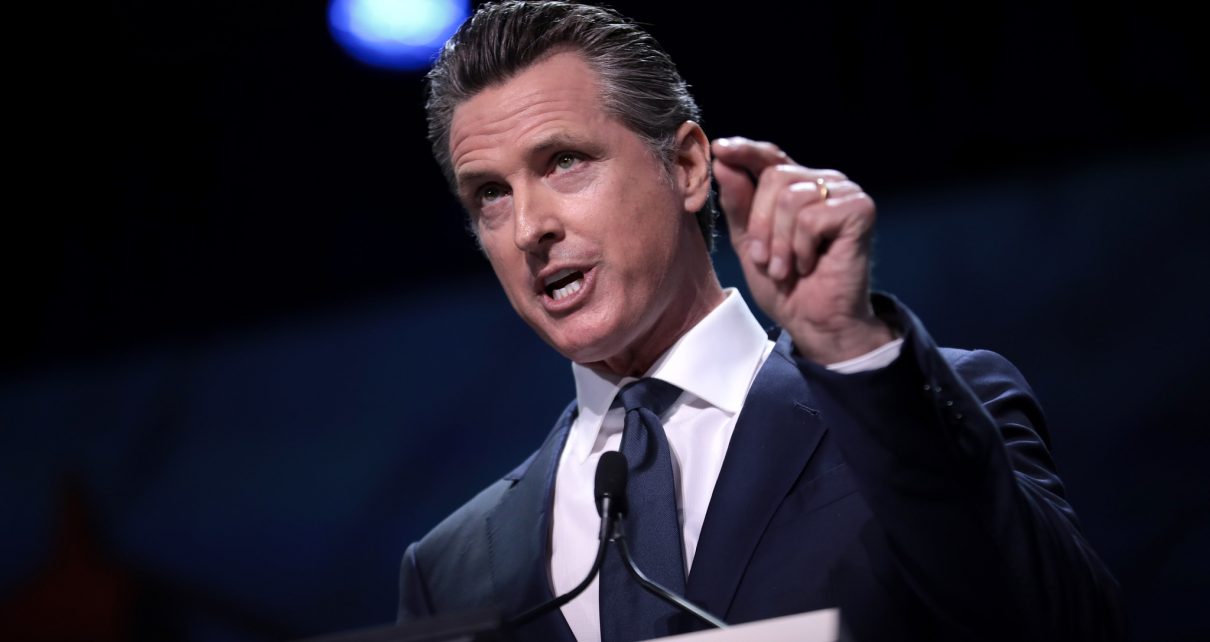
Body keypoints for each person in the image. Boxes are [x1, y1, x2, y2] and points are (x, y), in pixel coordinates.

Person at [397, 2, 1124, 641]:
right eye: (490, 194)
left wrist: (848, 346)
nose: (529, 227)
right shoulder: (450, 568)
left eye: (564, 161)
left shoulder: (917, 412)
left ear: (687, 167)